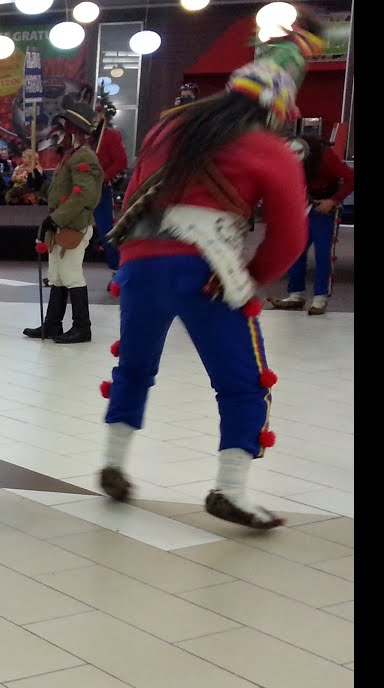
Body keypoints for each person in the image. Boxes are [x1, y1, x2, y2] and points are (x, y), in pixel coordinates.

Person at [98, 18, 327, 530]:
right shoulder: (269, 147)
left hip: (140, 262)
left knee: (135, 367)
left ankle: (113, 461)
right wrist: (250, 276)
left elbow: (134, 193)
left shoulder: (167, 126)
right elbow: (290, 237)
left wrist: (134, 257)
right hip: (205, 268)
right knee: (242, 382)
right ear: (279, 106)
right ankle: (231, 490)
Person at [23, 90, 104, 345]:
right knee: (57, 276)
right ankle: (52, 324)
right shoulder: (69, 156)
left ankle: (82, 328)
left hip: (74, 226)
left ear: (74, 131)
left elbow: (84, 195)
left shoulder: (84, 157)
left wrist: (55, 218)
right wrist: (40, 185)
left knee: (70, 275)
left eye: (63, 128)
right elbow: (60, 193)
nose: (58, 132)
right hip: (62, 225)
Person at [268, 130, 354, 315]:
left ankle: (320, 298)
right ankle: (295, 295)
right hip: (304, 205)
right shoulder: (286, 157)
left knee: (323, 254)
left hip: (326, 209)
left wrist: (333, 201)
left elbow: (351, 178)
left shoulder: (325, 157)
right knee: (295, 251)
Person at [92, 91, 129, 272]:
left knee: (105, 229)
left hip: (99, 189)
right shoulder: (83, 137)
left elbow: (121, 162)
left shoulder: (111, 135)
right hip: (80, 188)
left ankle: (117, 268)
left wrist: (104, 177)